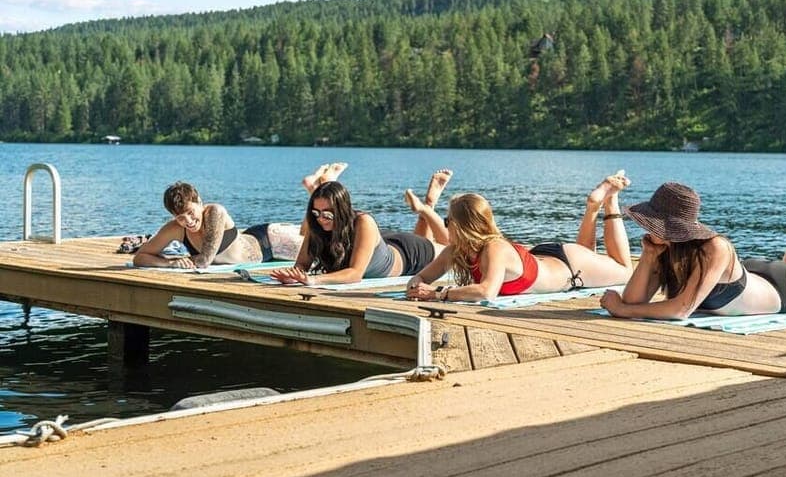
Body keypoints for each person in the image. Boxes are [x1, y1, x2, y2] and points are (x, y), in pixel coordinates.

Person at [599, 170, 786, 319]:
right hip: (756, 278)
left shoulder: (715, 247)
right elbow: (634, 301)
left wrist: (621, 309)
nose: (646, 228)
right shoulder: (663, 247)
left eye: (652, 222)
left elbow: (681, 309)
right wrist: (649, 256)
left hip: (784, 291)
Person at [405, 171, 634, 302]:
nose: (446, 227)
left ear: (463, 227)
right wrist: (416, 285)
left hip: (570, 266)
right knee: (589, 252)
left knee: (625, 271)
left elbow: (486, 292)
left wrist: (437, 294)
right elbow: (421, 278)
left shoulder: (495, 248)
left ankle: (610, 202)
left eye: (448, 222)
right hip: (548, 259)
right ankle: (593, 207)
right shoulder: (455, 251)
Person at [269, 168, 452, 286]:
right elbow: (301, 264)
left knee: (449, 247)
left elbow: (355, 274)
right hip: (382, 244)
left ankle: (427, 206)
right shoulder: (316, 223)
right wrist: (293, 275)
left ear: (341, 211)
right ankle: (426, 207)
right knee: (428, 238)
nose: (321, 219)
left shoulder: (363, 221)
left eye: (327, 214)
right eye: (316, 213)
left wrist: (312, 280)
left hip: (409, 255)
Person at [132, 181, 303, 269]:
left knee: (322, 247)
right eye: (181, 218)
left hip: (269, 241)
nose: (188, 222)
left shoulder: (215, 212)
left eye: (191, 213)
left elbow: (204, 260)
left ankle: (322, 183)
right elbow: (139, 257)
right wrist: (169, 264)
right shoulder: (175, 228)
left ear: (199, 202)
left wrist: (180, 260)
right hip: (247, 238)